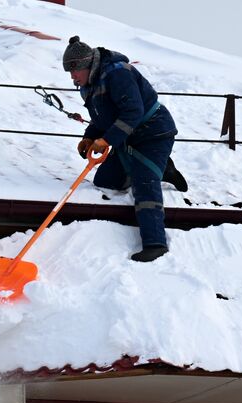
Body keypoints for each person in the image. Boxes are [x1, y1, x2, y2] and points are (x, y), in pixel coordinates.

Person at [63, 36, 188, 262]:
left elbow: (133, 112)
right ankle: (162, 167)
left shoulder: (118, 73)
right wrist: (89, 137)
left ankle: (155, 243)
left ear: (87, 65)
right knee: (105, 181)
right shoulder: (89, 85)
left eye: (75, 71)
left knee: (144, 182)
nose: (73, 77)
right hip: (127, 138)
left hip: (153, 133)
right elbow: (102, 117)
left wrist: (106, 140)